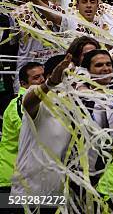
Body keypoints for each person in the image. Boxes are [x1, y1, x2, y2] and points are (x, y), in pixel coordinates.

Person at [10, 54, 73, 204]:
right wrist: (50, 84)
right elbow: (29, 102)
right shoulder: (32, 101)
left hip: (56, 193)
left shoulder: (69, 107)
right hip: (27, 194)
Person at [11, 0, 63, 87]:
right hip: (28, 78)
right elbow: (12, 44)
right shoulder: (18, 13)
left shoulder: (59, 12)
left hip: (54, 76)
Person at [0, 62, 45, 193]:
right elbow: (30, 132)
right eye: (36, 77)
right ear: (23, 84)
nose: (42, 80)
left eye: (43, 75)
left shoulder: (45, 101)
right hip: (12, 179)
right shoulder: (19, 104)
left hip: (30, 178)